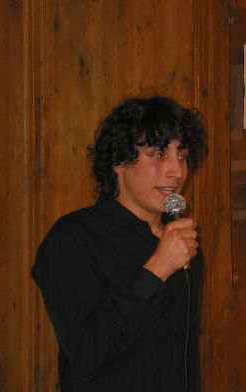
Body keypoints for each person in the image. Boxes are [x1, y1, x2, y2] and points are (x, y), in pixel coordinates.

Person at [31, 96, 206, 392]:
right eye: (158, 155)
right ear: (119, 161)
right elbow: (87, 355)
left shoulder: (179, 238)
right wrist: (157, 269)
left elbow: (180, 354)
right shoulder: (72, 239)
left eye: (182, 155)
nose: (177, 171)